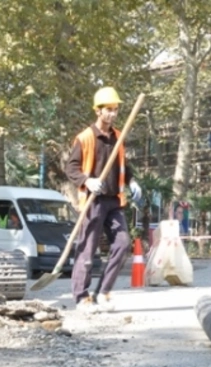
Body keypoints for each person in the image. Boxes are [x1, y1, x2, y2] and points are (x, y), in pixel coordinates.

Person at [64, 86, 141, 312]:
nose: (113, 114)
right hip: (92, 201)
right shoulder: (85, 137)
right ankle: (81, 297)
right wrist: (87, 181)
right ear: (98, 111)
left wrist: (132, 181)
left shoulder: (118, 137)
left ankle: (103, 292)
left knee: (123, 243)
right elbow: (71, 167)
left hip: (114, 201)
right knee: (87, 251)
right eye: (109, 109)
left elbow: (123, 166)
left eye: (115, 109)